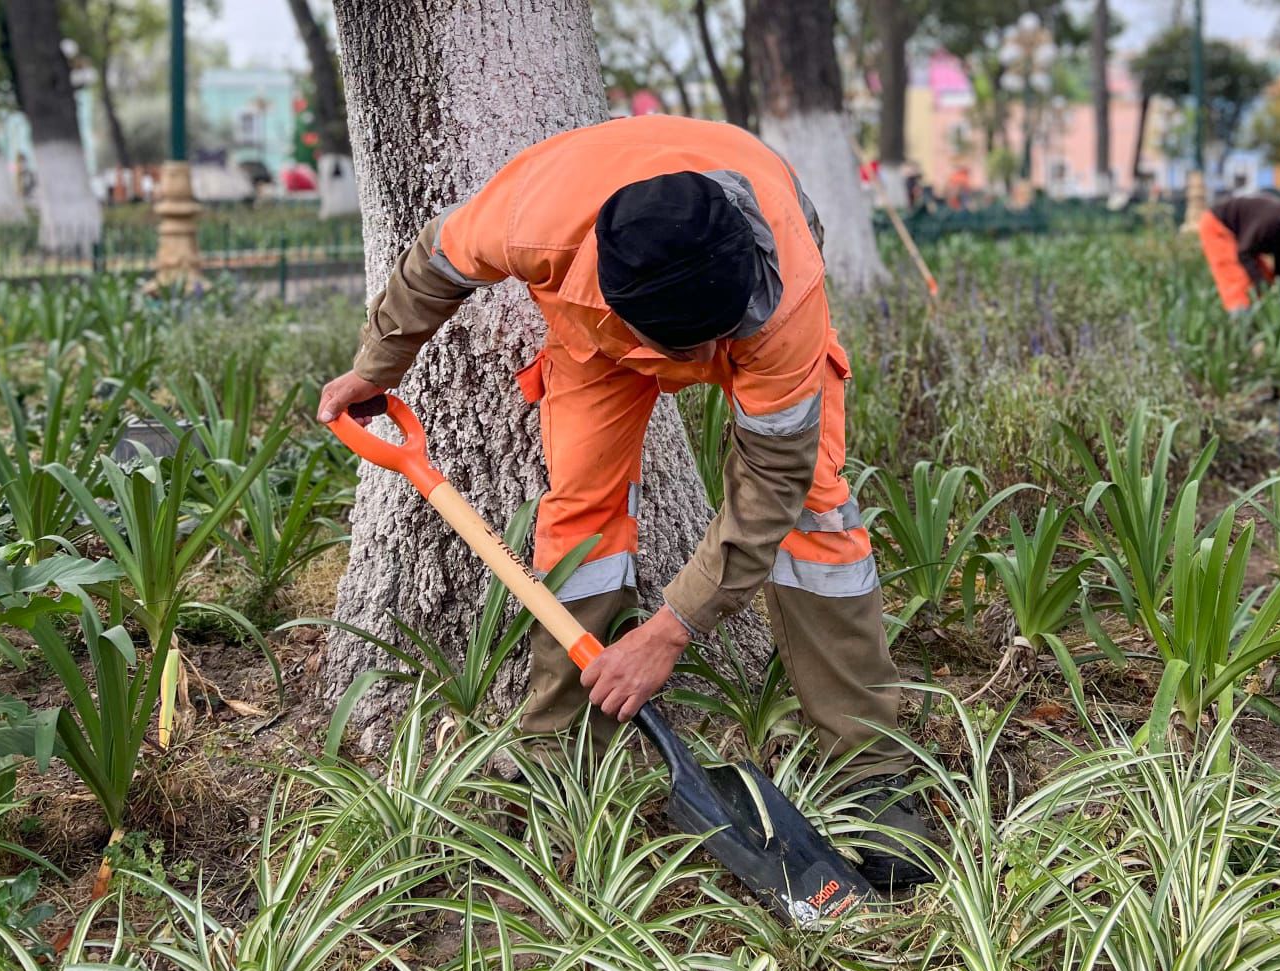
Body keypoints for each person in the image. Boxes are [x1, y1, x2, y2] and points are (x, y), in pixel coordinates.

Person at [316, 115, 930, 890]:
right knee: (582, 516)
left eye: (718, 343)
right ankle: (561, 754)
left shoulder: (782, 296)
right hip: (592, 333)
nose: (709, 369)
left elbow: (772, 474)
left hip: (737, 277)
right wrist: (379, 362)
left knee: (814, 512)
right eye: (691, 354)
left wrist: (671, 630)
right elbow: (434, 263)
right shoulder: (528, 219)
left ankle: (867, 771)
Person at [1198, 195, 1280, 314]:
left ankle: (1259, 324)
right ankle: (1241, 327)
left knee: (1266, 281)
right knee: (1239, 282)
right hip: (1218, 225)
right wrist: (1264, 288)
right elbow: (1244, 253)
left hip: (1245, 241)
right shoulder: (1274, 221)